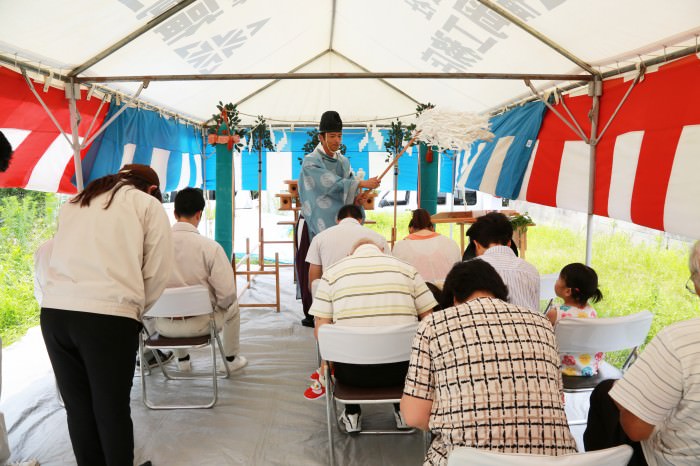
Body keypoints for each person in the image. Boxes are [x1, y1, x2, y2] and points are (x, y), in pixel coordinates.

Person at [39, 164, 173, 466]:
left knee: (78, 407)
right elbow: (157, 271)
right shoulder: (147, 204)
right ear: (152, 189)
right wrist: (134, 310)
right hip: (107, 316)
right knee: (110, 408)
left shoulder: (77, 201)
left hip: (55, 313)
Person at [401, 259, 577, 465]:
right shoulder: (542, 323)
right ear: (500, 291)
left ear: (454, 298)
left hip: (467, 460)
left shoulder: (434, 324)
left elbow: (414, 416)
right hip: (555, 460)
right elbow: (557, 399)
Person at [584, 240, 700, 466]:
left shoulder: (679, 340)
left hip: (671, 461)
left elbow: (636, 429)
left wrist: (624, 398)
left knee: (605, 392)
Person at [308, 239, 437, 433]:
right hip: (404, 374)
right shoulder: (408, 270)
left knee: (338, 342)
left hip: (351, 375)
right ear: (383, 252)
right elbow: (431, 323)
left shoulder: (332, 274)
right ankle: (402, 411)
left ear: (350, 255)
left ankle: (352, 414)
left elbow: (321, 333)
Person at [295, 110, 380, 327]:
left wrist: (358, 196)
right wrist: (360, 184)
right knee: (312, 266)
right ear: (321, 137)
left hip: (339, 225)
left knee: (340, 264)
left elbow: (347, 186)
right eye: (332, 136)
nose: (336, 141)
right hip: (315, 223)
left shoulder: (343, 161)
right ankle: (313, 311)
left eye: (339, 136)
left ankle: (340, 306)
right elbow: (328, 183)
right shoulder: (311, 161)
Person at [151, 187, 247, 373]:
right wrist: (214, 307)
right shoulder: (211, 248)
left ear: (175, 213)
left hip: (163, 326)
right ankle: (229, 359)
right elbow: (227, 295)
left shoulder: (154, 247)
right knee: (232, 306)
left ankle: (183, 360)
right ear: (199, 214)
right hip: (202, 325)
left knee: (172, 301)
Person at [466, 212, 540, 311]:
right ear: (509, 242)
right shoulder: (530, 270)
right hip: (531, 325)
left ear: (477, 244)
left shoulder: (469, 269)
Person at [306, 204, 389, 293]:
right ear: (360, 220)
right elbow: (388, 270)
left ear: (338, 220)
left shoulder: (320, 238)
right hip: (368, 294)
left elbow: (314, 280)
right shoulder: (378, 238)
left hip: (332, 294)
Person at [546, 263, 604, 376]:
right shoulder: (592, 312)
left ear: (567, 291)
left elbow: (542, 338)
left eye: (559, 278)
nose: (556, 281)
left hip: (559, 368)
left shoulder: (555, 313)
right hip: (589, 368)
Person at [392, 208, 460, 284]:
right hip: (445, 293)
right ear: (432, 228)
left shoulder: (400, 247)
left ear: (410, 229)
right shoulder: (451, 244)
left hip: (414, 294)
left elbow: (396, 276)